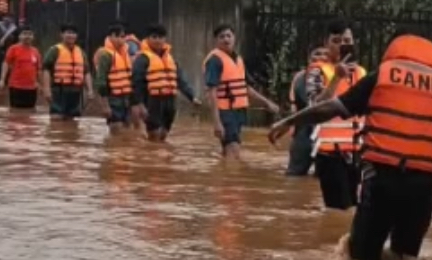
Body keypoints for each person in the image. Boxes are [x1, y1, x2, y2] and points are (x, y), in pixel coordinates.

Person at [268, 34, 432, 260]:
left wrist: (288, 122)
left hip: (382, 181)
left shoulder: (382, 77)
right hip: (422, 188)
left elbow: (330, 108)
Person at [307, 19, 366, 210]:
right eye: (336, 41)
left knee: (356, 211)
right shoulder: (317, 71)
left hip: (358, 153)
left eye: (346, 41)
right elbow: (315, 106)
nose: (342, 45)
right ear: (326, 44)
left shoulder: (361, 73)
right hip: (329, 153)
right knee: (338, 212)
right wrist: (336, 78)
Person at [202, 24, 279, 159]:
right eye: (222, 37)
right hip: (224, 112)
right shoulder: (215, 61)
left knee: (229, 149)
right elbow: (211, 91)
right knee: (233, 148)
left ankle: (223, 175)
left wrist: (267, 103)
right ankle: (231, 178)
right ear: (216, 41)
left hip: (238, 111)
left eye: (228, 36)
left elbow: (246, 88)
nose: (226, 40)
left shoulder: (238, 59)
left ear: (234, 38)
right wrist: (217, 122)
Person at [130, 24, 200, 142]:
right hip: (152, 101)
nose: (158, 40)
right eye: (154, 37)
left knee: (163, 135)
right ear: (148, 39)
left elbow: (180, 79)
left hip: (169, 101)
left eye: (161, 37)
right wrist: (140, 105)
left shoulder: (170, 59)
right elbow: (136, 84)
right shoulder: (142, 59)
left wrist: (192, 96)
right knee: (154, 135)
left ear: (165, 39)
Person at [284, 47, 329, 177]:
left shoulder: (336, 76)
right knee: (294, 176)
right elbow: (297, 107)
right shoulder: (300, 79)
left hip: (326, 136)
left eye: (325, 54)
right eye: (317, 54)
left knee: (322, 179)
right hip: (304, 133)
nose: (321, 57)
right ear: (309, 59)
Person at [42, 24, 89, 121]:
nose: (71, 36)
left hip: (76, 92)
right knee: (56, 119)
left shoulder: (81, 52)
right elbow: (46, 69)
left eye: (73, 33)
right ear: (61, 35)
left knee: (72, 121)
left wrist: (90, 90)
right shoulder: (54, 50)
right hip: (59, 91)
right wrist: (46, 90)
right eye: (68, 33)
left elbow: (87, 72)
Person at [95, 24, 135, 134]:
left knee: (128, 130)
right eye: (118, 36)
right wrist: (105, 106)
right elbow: (101, 82)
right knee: (116, 130)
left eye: (123, 37)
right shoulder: (105, 55)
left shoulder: (125, 55)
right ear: (111, 36)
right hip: (113, 99)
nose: (121, 40)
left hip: (126, 99)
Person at [0, 25, 42, 110]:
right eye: (24, 34)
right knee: (15, 111)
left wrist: (40, 84)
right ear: (19, 36)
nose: (27, 36)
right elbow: (6, 63)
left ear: (33, 37)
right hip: (16, 87)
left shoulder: (35, 51)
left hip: (32, 88)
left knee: (30, 111)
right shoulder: (13, 49)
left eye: (30, 34)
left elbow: (38, 69)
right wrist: (2, 80)